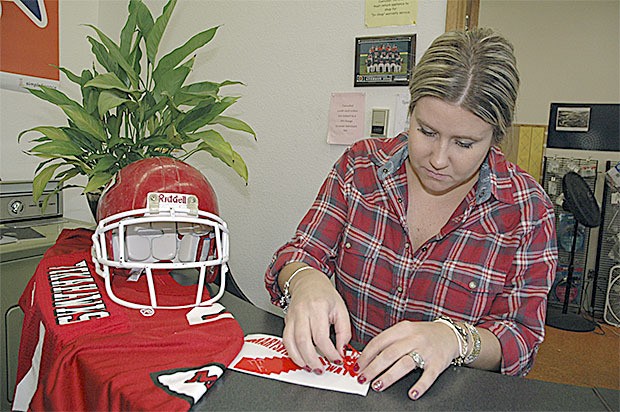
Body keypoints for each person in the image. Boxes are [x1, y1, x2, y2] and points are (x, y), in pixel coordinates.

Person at [265, 28, 558, 400]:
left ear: (496, 136)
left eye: (464, 144)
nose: (438, 159)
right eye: (427, 131)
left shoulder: (527, 209)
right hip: (343, 390)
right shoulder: (361, 167)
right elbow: (297, 254)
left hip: (444, 398)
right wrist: (306, 280)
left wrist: (455, 338)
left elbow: (520, 337)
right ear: (411, 110)